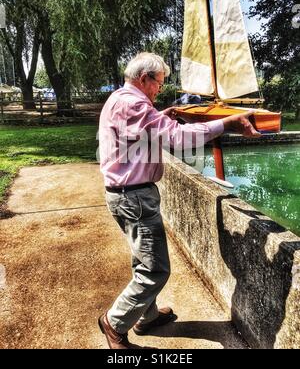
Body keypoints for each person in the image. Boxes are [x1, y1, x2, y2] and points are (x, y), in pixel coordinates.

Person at [98, 52, 260, 349]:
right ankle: (115, 322)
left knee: (142, 260)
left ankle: (145, 317)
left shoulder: (120, 98)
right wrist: (226, 123)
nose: (160, 88)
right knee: (155, 270)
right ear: (144, 78)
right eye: (158, 82)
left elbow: (143, 132)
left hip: (125, 194)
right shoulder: (134, 104)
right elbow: (176, 139)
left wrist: (160, 116)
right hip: (134, 196)